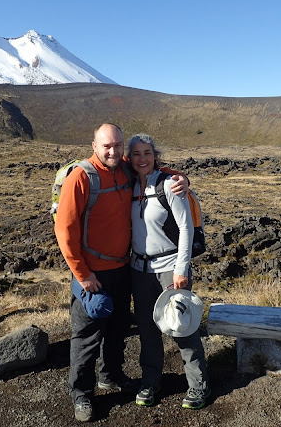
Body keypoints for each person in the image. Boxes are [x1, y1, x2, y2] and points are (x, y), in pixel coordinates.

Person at [54, 123, 187, 422]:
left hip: (122, 269)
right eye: (106, 146)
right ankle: (81, 394)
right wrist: (83, 275)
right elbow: (64, 230)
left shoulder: (124, 168)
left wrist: (181, 178)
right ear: (94, 146)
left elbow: (150, 166)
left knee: (117, 330)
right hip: (91, 274)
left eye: (117, 146)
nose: (113, 151)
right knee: (87, 337)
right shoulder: (81, 178)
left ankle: (110, 376)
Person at [127, 133, 210, 410]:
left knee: (182, 327)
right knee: (147, 330)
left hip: (170, 269)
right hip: (140, 270)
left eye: (147, 153)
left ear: (155, 156)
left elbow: (186, 228)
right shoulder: (127, 186)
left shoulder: (170, 185)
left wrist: (181, 268)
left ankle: (198, 385)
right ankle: (150, 381)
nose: (142, 159)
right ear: (129, 158)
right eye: (136, 153)